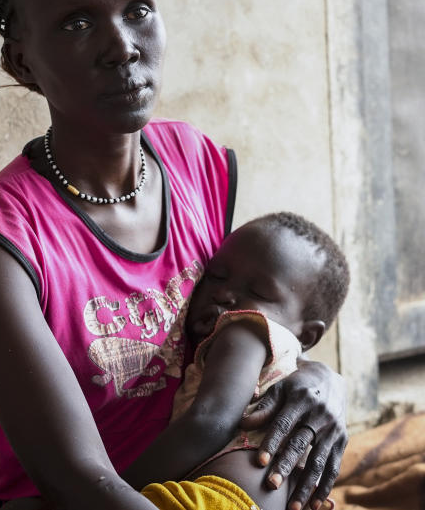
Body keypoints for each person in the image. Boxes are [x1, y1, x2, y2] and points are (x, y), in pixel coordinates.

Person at [0, 0, 347, 510]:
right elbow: (74, 478)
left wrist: (318, 380)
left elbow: (239, 335)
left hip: (185, 484)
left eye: (139, 10)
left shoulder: (194, 161)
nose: (122, 46)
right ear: (22, 63)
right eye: (76, 23)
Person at [121, 211, 351, 510]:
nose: (224, 294)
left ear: (307, 335)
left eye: (256, 292)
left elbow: (210, 421)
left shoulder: (244, 329)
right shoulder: (288, 367)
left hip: (218, 499)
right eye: (216, 276)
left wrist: (115, 489)